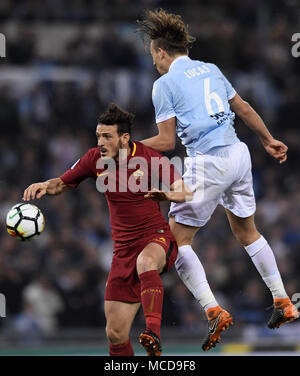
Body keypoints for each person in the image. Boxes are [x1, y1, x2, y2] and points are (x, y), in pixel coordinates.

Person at [136, 9, 299, 351]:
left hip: (207, 161)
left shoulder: (164, 84)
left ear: (162, 52)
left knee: (177, 241)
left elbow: (166, 143)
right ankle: (283, 300)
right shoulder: (211, 69)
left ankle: (212, 309)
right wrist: (268, 139)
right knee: (246, 232)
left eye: (154, 56)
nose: (154, 63)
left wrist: (126, 147)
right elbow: (243, 107)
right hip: (239, 154)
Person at [22, 103, 191, 356]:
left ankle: (153, 334)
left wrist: (165, 194)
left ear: (124, 138)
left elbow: (185, 191)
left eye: (107, 136)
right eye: (99, 136)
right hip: (122, 252)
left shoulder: (149, 157)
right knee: (115, 334)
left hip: (155, 239)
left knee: (145, 262)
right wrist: (46, 185)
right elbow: (62, 183)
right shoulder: (94, 159)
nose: (101, 142)